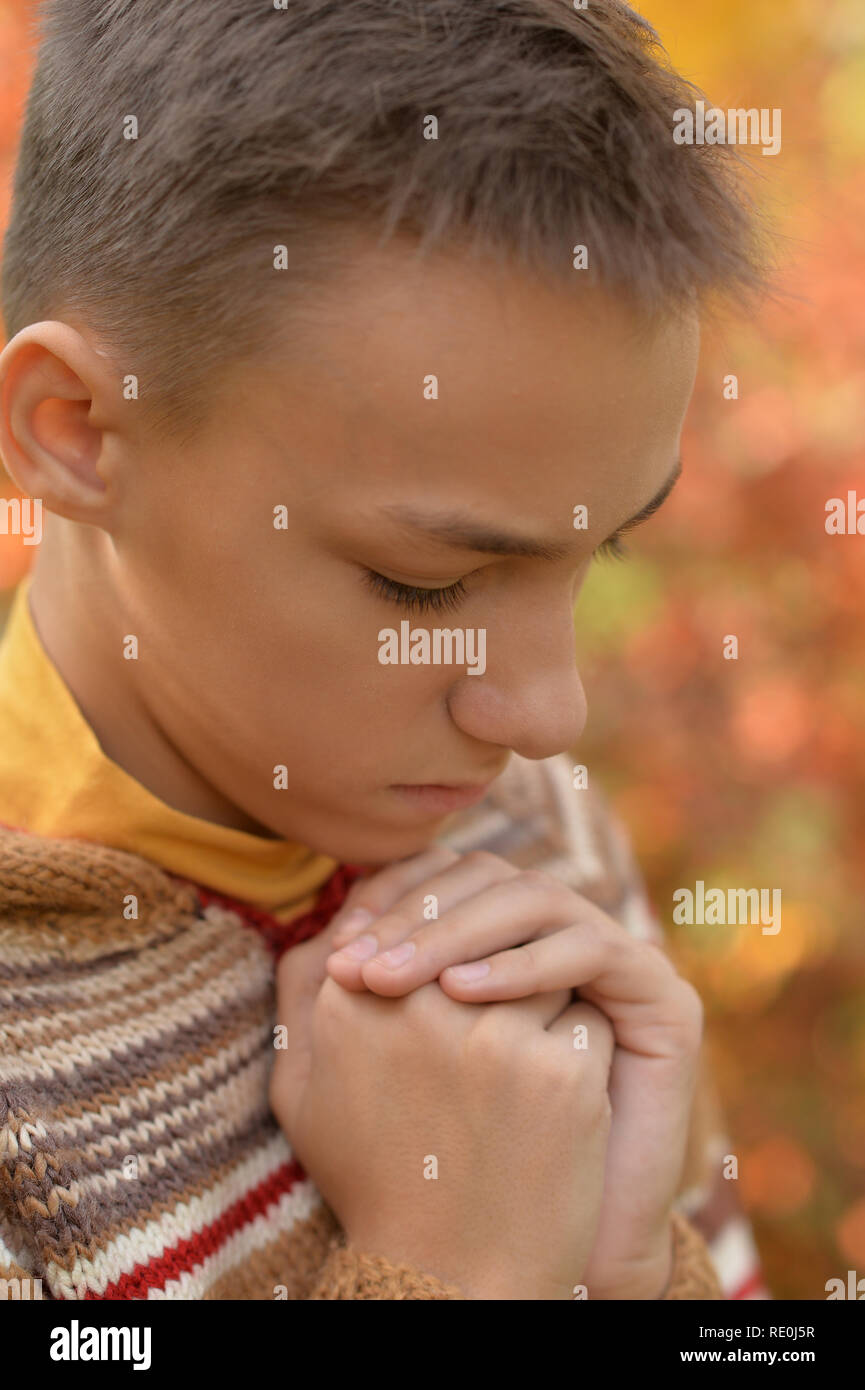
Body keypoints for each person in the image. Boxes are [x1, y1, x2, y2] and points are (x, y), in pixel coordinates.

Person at [0, 0, 770, 1299]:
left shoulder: (542, 851)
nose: (543, 714)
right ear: (74, 430)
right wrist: (460, 1272)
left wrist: (639, 1271)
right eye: (426, 581)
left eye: (605, 550)